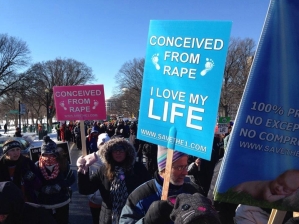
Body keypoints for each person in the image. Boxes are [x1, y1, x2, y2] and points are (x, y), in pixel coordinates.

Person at [119, 146, 204, 224]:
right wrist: (147, 221)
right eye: (179, 167)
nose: (185, 172)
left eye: (186, 167)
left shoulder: (192, 192)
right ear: (164, 169)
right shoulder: (140, 196)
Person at [77, 137, 150, 224]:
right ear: (109, 153)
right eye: (114, 150)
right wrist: (82, 172)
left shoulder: (138, 168)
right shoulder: (103, 170)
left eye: (121, 150)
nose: (118, 153)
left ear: (127, 152)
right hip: (108, 219)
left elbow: (149, 191)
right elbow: (85, 190)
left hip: (133, 217)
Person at [36, 136, 76, 224]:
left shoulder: (63, 163)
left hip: (62, 201)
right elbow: (34, 182)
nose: (48, 157)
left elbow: (71, 178)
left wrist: (61, 185)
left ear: (55, 154)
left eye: (51, 154)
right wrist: (42, 188)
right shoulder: (37, 166)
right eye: (45, 154)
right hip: (44, 203)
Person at [0, 139, 41, 203]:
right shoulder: (1, 166)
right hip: (8, 206)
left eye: (18, 149)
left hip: (28, 204)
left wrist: (32, 177)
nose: (16, 153)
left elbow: (38, 185)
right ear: (6, 152)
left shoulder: (27, 163)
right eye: (12, 150)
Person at [233, 169, 299, 202]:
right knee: (234, 194)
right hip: (243, 187)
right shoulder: (268, 186)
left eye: (285, 190)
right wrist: (284, 195)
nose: (279, 188)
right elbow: (268, 199)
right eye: (279, 182)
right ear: (277, 177)